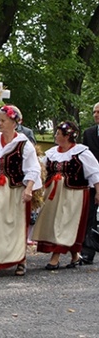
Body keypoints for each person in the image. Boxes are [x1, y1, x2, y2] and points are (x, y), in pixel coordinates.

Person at [0, 105, 41, 278]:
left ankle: (20, 260)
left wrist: (29, 189)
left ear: (14, 122)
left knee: (14, 226)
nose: (0, 124)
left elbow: (33, 169)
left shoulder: (23, 144)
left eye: (3, 120)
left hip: (14, 190)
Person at [31, 121, 99, 269]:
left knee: (64, 223)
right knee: (53, 222)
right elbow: (40, 169)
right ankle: (75, 256)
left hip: (74, 195)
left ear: (67, 136)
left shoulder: (82, 152)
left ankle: (55, 256)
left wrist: (98, 192)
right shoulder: (52, 153)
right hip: (54, 195)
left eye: (58, 134)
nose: (55, 136)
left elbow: (94, 173)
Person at [80, 102, 99, 265]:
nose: (96, 115)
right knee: (90, 215)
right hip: (93, 181)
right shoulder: (89, 133)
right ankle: (87, 251)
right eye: (94, 112)